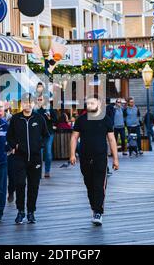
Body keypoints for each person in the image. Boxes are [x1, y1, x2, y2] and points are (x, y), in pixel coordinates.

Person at [70, 95, 119, 226]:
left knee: (99, 185)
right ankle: (94, 207)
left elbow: (112, 139)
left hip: (100, 158)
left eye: (92, 102)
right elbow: (74, 137)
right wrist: (72, 154)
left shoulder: (106, 119)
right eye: (88, 103)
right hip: (84, 158)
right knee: (89, 185)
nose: (89, 105)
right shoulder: (81, 120)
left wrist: (115, 159)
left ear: (99, 103)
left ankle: (98, 211)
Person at [7, 93, 49, 224]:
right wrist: (14, 145)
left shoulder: (39, 118)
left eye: (30, 102)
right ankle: (20, 211)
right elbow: (9, 137)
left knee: (33, 186)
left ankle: (31, 212)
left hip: (35, 158)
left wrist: (39, 145)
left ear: (34, 103)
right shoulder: (15, 119)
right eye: (25, 102)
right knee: (20, 184)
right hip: (19, 157)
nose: (27, 104)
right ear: (22, 104)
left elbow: (46, 135)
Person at [35, 96, 58, 178]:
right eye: (38, 99)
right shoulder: (35, 110)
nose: (39, 101)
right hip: (38, 134)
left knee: (48, 153)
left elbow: (56, 120)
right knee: (38, 154)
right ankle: (38, 171)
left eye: (41, 99)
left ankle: (47, 171)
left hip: (48, 134)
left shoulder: (49, 108)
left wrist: (49, 118)